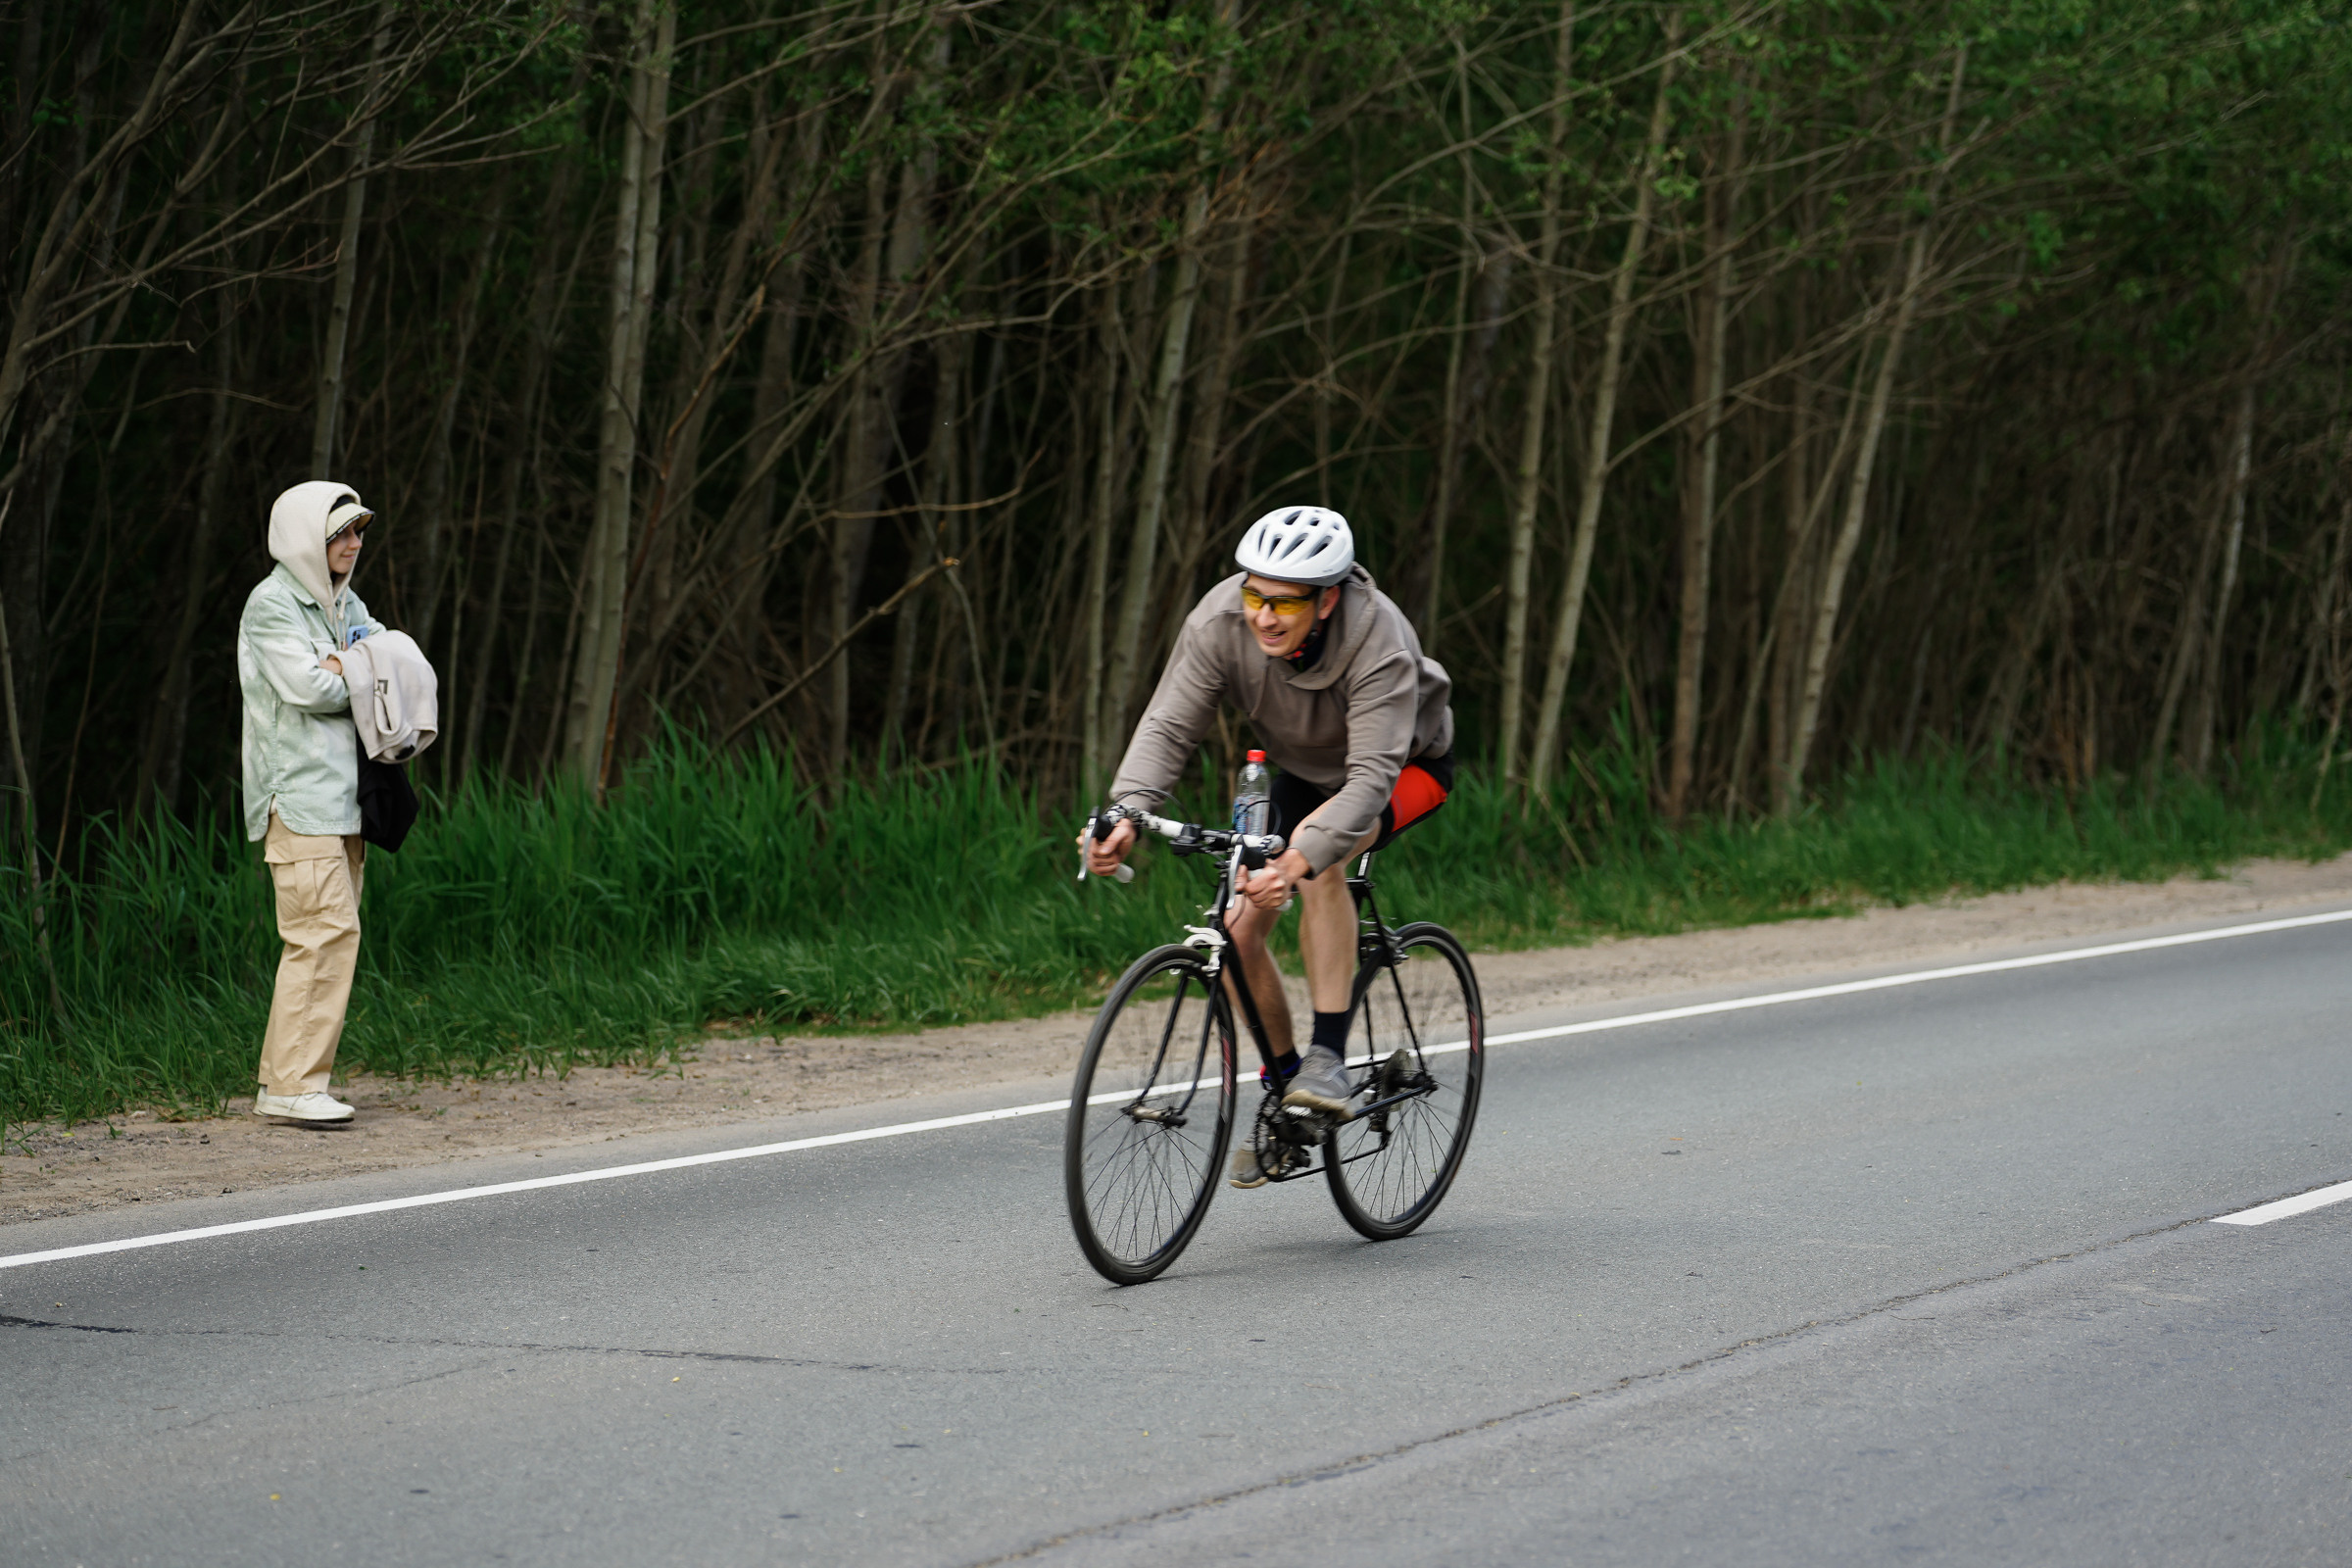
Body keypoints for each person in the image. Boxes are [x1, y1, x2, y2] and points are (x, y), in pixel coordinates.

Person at [1087, 507, 1455, 1187]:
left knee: (1322, 867)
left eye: (1285, 602)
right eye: (1255, 594)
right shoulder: (1218, 621)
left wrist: (1296, 858)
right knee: (1236, 928)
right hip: (1305, 773)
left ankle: (1328, 1057)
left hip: (1404, 770)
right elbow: (1169, 727)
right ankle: (1291, 1093)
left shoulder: (1380, 642)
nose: (1264, 615)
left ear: (1328, 599)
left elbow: (1370, 782)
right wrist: (1128, 812)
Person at [237, 480, 386, 1124]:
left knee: (329, 935)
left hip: (344, 800)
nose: (354, 544)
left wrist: (343, 660)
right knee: (321, 934)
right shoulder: (273, 604)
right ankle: (294, 1087)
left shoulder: (341, 601)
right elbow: (308, 690)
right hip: (298, 799)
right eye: (341, 534)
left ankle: (287, 1082)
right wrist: (352, 666)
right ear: (306, 539)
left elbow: (392, 657)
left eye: (357, 532)